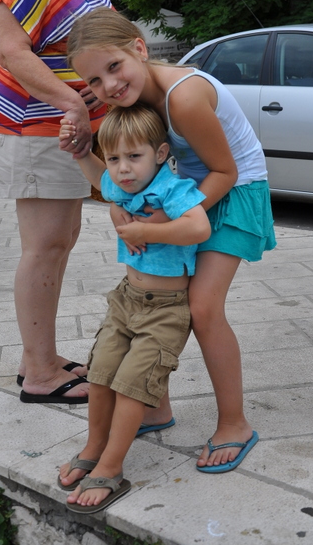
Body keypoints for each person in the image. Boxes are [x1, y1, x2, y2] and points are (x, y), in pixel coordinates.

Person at [64, 8, 276, 472]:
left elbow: (226, 171)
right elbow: (126, 172)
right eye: (95, 80)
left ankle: (235, 423)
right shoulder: (129, 97)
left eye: (114, 67)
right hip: (189, 191)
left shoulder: (184, 97)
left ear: (139, 48)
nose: (109, 85)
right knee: (157, 294)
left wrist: (158, 222)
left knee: (202, 307)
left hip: (234, 191)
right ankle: (155, 409)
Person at [0, 0, 113, 404]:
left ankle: (42, 356)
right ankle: (39, 375)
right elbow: (13, 52)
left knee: (60, 241)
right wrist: (72, 102)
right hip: (32, 127)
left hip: (61, 127)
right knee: (45, 246)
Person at [57, 103, 210, 512]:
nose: (123, 169)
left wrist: (146, 229)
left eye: (134, 157)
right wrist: (81, 153)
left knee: (130, 384)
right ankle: (94, 447)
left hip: (166, 310)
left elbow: (199, 226)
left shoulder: (173, 188)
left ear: (160, 154)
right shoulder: (121, 185)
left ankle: (110, 466)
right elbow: (100, 179)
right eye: (114, 158)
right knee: (101, 372)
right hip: (125, 300)